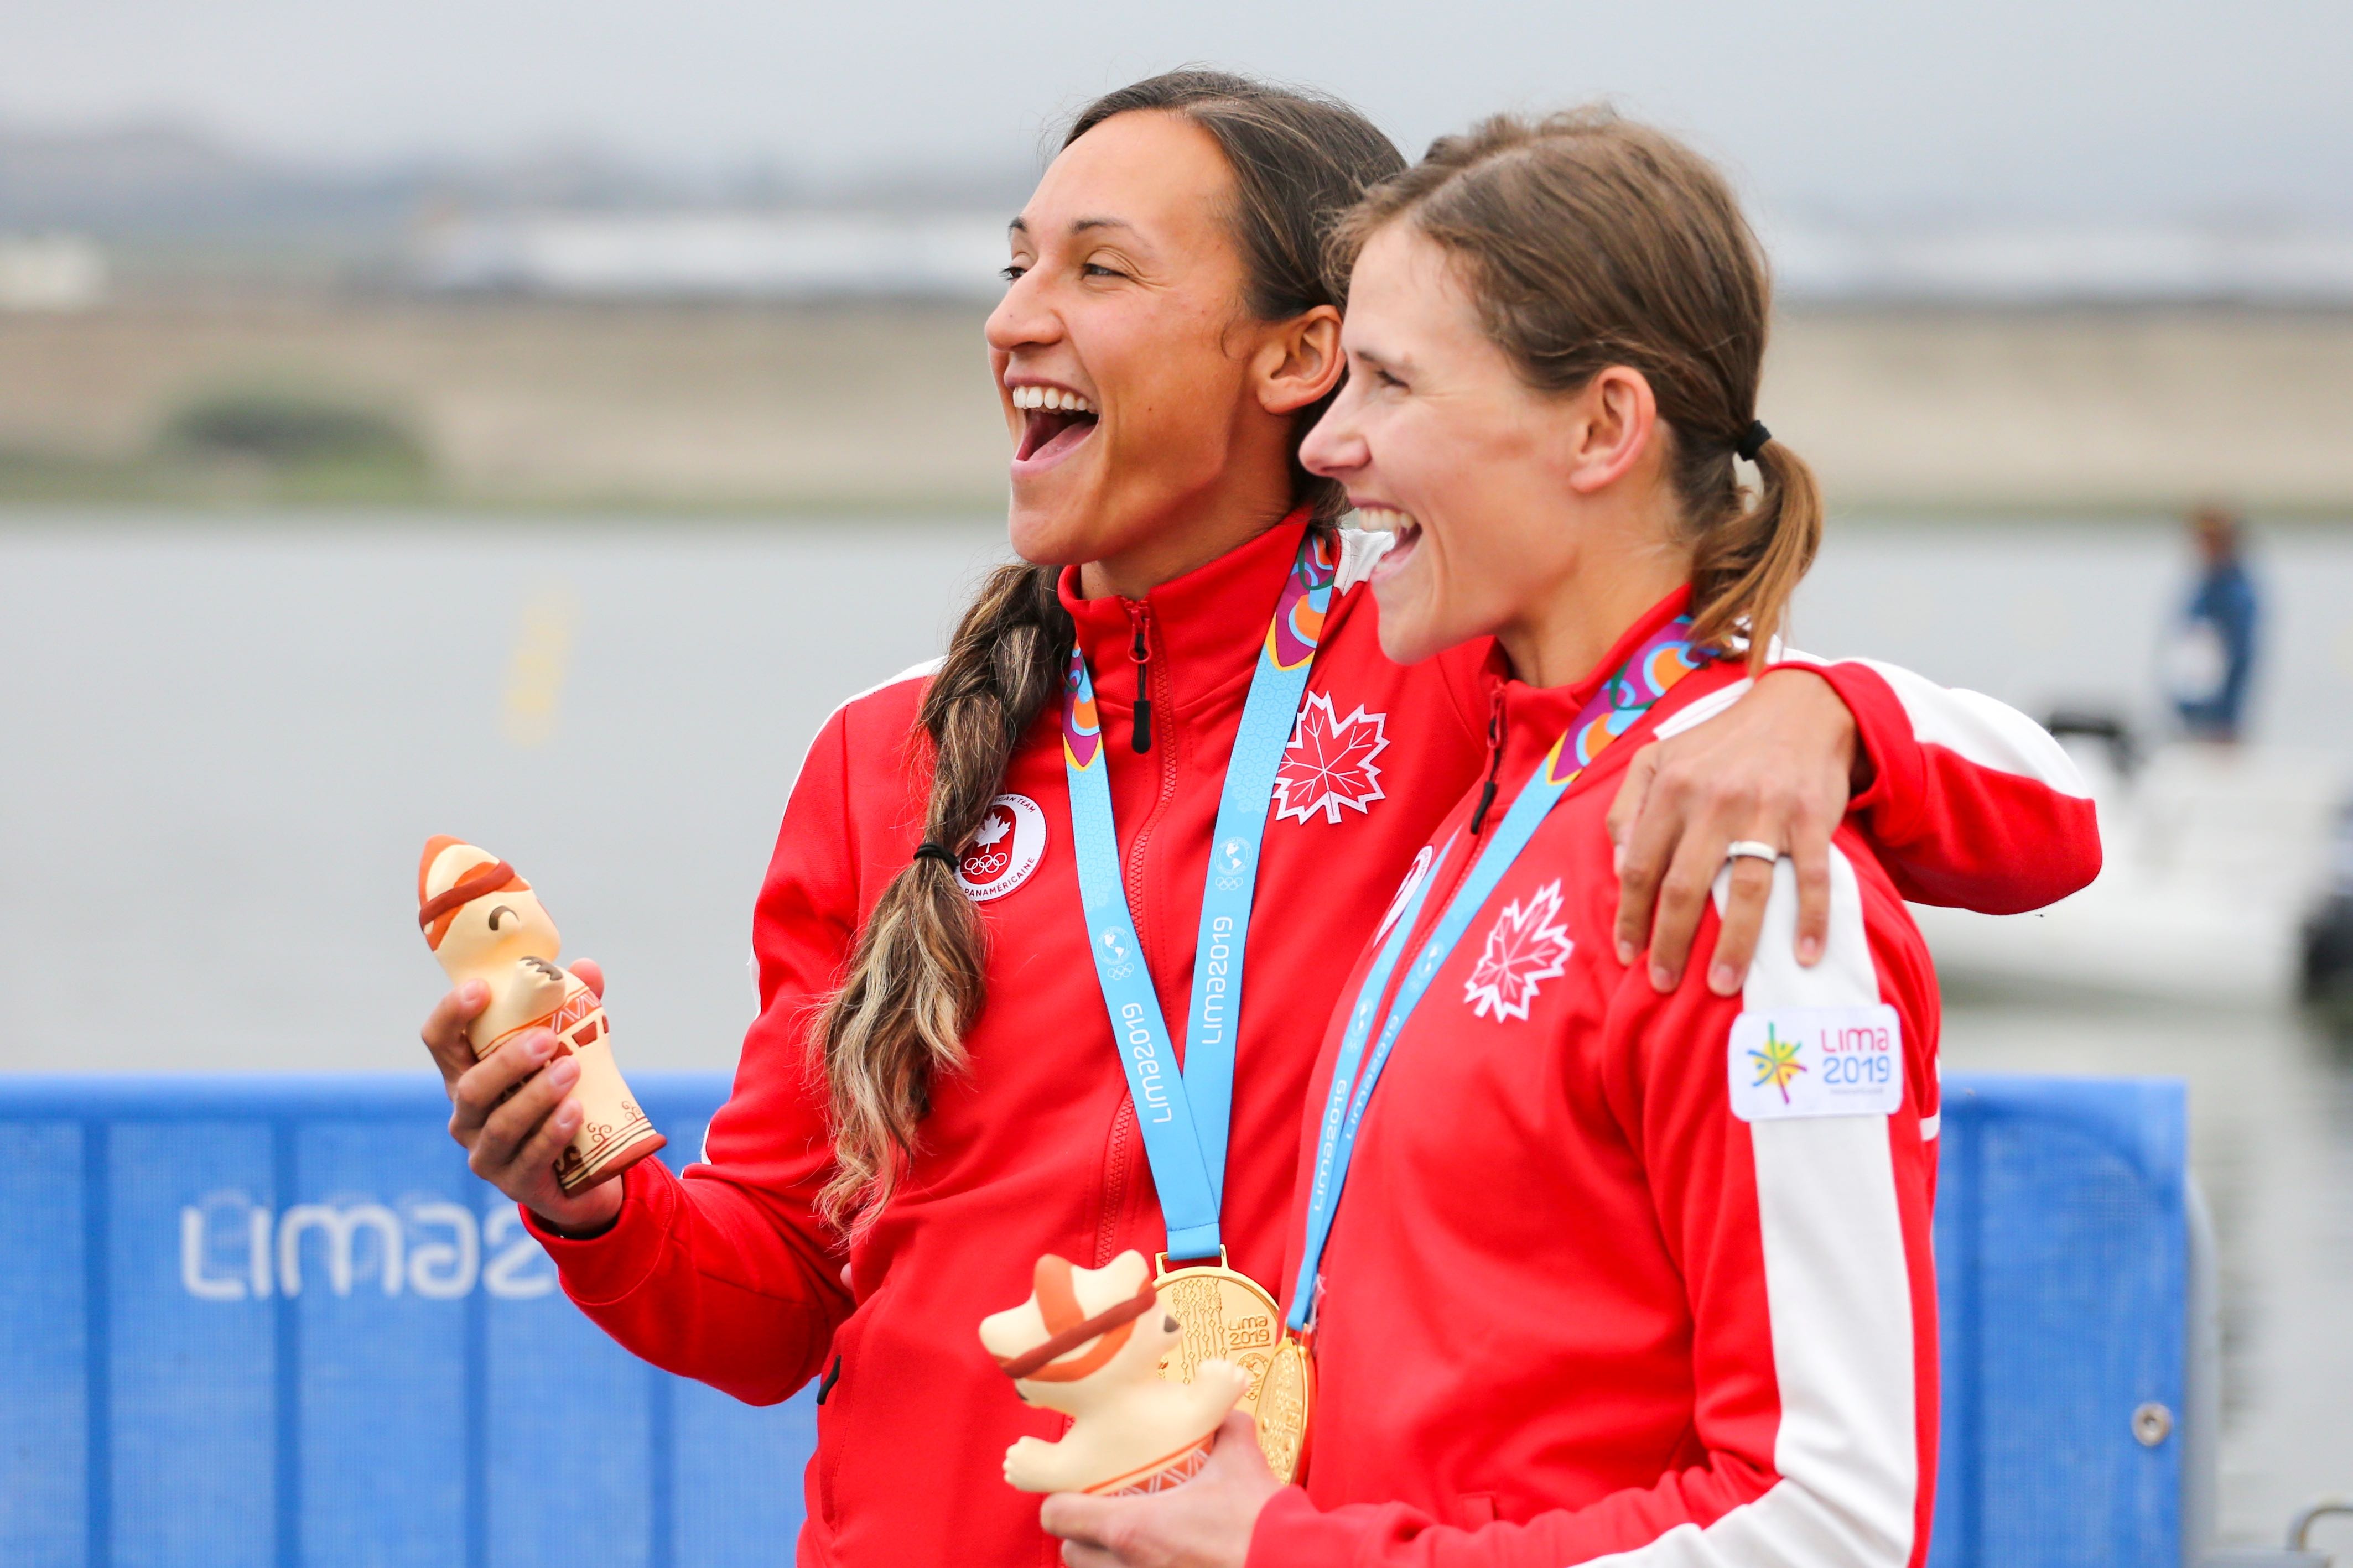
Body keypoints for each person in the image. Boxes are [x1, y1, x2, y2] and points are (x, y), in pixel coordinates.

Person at [418, 76, 2097, 1568]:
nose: (1014, 317)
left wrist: (1829, 712)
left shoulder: (1446, 672)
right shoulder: (889, 754)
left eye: (1096, 268)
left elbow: (2044, 813)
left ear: (1297, 355)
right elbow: (777, 1296)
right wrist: (591, 1193)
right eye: (1013, 261)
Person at [1043, 109, 1994, 1568]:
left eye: (1389, 383)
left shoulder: (1745, 888)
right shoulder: (1497, 805)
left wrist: (1295, 1553)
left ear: (1603, 427)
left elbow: (1823, 1527)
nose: (1331, 437)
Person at [2167, 504, 2259, 742]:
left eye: (2209, 539)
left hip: (2219, 722)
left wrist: (2225, 722)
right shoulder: (2202, 588)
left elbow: (2240, 660)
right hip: (2190, 713)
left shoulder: (2235, 595)